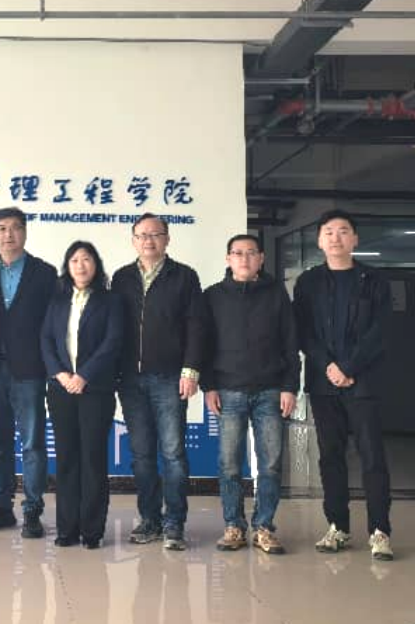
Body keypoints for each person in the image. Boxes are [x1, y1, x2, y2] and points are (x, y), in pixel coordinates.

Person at [293, 209, 394, 561]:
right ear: (319, 241)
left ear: (355, 239)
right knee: (331, 457)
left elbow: (381, 330)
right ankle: (338, 527)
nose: (336, 237)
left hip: (363, 381)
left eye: (343, 231)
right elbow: (303, 331)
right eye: (329, 232)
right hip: (324, 383)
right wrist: (330, 366)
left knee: (372, 456)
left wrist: (349, 367)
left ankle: (380, 531)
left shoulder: (374, 280)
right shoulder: (308, 282)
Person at [110, 213, 205, 551]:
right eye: (142, 235)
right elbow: (113, 327)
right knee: (141, 454)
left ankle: (174, 523)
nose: (148, 240)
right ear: (133, 240)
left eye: (155, 234)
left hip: (170, 377)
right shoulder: (121, 278)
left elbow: (196, 325)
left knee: (173, 452)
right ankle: (149, 519)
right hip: (130, 379)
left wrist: (191, 370)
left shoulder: (184, 276)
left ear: (167, 239)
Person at [202, 234, 299, 555]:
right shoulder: (213, 296)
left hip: (270, 391)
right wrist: (209, 386)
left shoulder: (276, 295)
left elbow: (290, 342)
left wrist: (290, 386)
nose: (244, 258)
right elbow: (204, 344)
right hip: (228, 392)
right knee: (229, 464)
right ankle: (234, 526)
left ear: (261, 259)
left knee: (270, 464)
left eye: (250, 253)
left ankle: (264, 527)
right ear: (228, 259)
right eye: (237, 253)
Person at [0, 207, 57, 538]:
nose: (8, 234)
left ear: (25, 231)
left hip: (30, 370)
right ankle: (2, 507)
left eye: (14, 228)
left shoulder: (45, 272)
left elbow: (52, 324)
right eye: (1, 228)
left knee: (33, 443)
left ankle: (33, 510)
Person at [40, 241, 124, 549]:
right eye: (74, 260)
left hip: (95, 389)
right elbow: (46, 340)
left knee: (92, 458)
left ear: (95, 264)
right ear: (67, 266)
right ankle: (67, 529)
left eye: (86, 259)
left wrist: (84, 375)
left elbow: (113, 341)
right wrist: (61, 374)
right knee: (66, 459)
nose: (80, 265)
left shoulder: (110, 300)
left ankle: (91, 531)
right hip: (61, 389)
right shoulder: (57, 300)